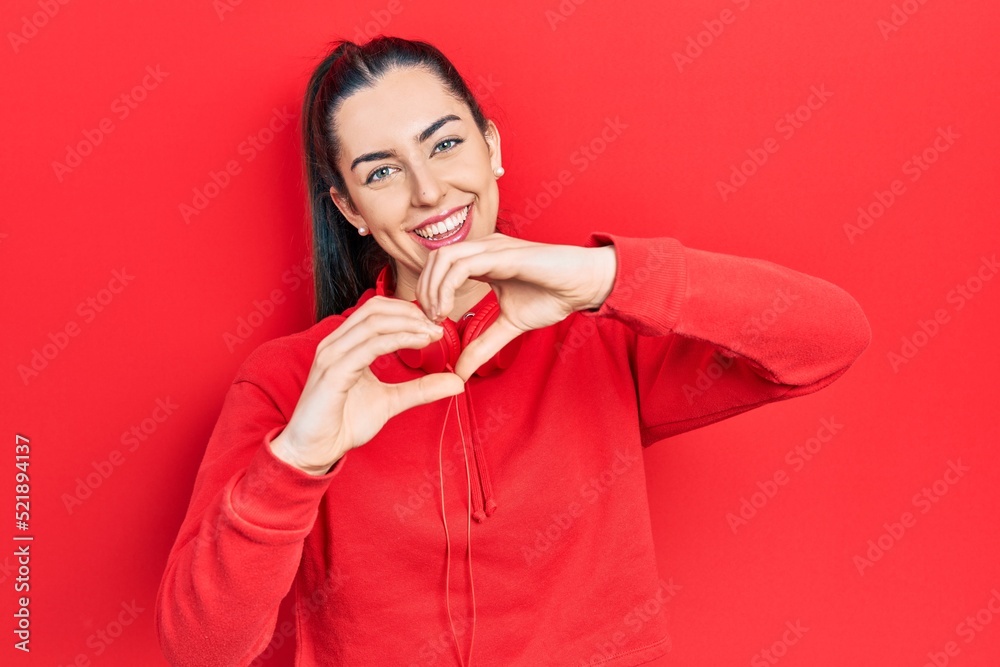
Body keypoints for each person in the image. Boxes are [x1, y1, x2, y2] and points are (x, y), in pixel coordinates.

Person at [155, 35, 872, 667]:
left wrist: (603, 277)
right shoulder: (292, 380)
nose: (429, 190)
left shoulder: (601, 331)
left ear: (492, 148)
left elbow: (831, 337)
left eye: (445, 143)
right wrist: (300, 461)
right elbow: (202, 648)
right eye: (381, 172)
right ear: (349, 208)